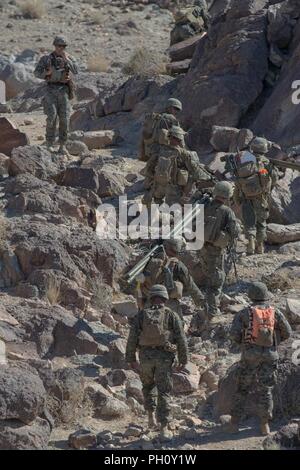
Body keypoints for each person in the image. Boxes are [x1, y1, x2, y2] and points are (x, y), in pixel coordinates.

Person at [228, 282, 292, 436]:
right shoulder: (274, 312)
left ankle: (234, 424)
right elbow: (288, 332)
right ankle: (265, 425)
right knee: (266, 391)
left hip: (249, 356)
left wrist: (245, 345)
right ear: (265, 295)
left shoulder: (244, 313)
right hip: (270, 356)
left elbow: (233, 335)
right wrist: (272, 343)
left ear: (251, 295)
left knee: (242, 389)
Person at [125, 284, 188, 438]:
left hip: (145, 358)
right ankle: (163, 427)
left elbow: (132, 338)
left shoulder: (141, 315)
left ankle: (150, 417)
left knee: (148, 386)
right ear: (165, 298)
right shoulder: (170, 314)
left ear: (151, 298)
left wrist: (131, 359)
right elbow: (181, 338)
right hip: (164, 357)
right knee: (164, 391)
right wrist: (183, 359)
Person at [191, 181, 239, 330]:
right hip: (215, 251)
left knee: (210, 277)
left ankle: (206, 309)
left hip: (201, 248)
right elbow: (235, 232)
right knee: (216, 282)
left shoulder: (203, 205)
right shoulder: (226, 211)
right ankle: (211, 315)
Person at [143, 125, 214, 207]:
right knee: (174, 210)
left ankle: (157, 213)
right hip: (173, 188)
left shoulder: (160, 149)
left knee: (157, 201)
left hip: (159, 185)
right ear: (180, 138)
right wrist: (209, 177)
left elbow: (150, 165)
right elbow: (195, 171)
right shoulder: (183, 153)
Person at [138, 237, 205, 321]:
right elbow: (190, 285)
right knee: (177, 326)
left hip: (149, 302)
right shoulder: (177, 265)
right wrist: (201, 302)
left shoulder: (149, 260)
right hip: (169, 304)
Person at [233, 137, 279, 255]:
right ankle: (260, 247)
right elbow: (274, 180)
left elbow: (237, 180)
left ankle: (250, 246)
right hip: (261, 198)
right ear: (264, 148)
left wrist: (237, 198)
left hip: (246, 197)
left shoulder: (245, 159)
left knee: (249, 222)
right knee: (261, 223)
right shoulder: (266, 162)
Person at [34, 36, 78, 154]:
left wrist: (67, 59)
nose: (61, 48)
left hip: (64, 90)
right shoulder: (46, 59)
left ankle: (62, 145)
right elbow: (36, 73)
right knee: (52, 117)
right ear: (54, 46)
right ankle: (49, 144)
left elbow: (76, 71)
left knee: (64, 118)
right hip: (50, 89)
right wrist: (46, 73)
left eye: (63, 46)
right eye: (59, 46)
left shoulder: (68, 58)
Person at [139, 98, 183, 163]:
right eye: (175, 108)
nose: (176, 111)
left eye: (178, 110)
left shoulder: (156, 117)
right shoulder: (171, 119)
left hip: (149, 150)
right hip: (162, 152)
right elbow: (179, 138)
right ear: (169, 107)